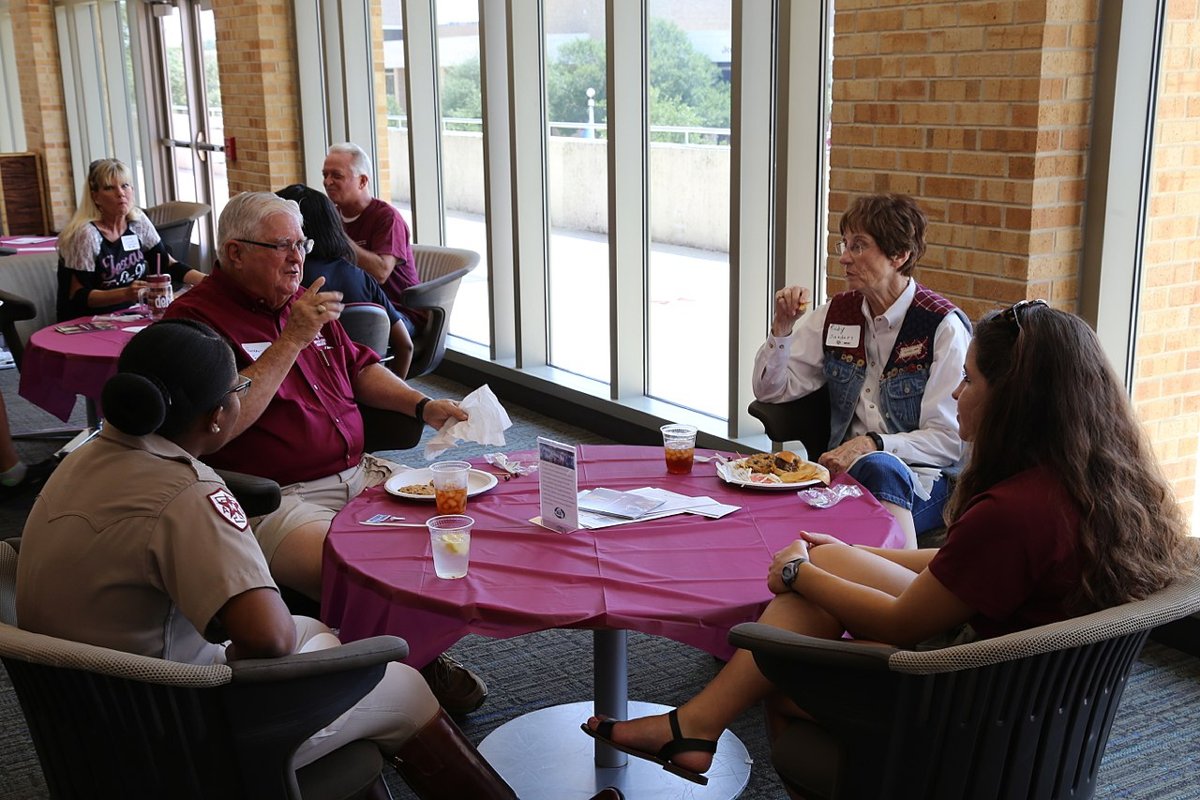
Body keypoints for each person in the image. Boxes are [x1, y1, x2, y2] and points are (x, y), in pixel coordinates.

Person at [583, 302, 1198, 790]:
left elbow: (905, 623)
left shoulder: (1015, 511)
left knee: (789, 659)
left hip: (965, 699)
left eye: (970, 381)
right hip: (1037, 694)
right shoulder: (1090, 485)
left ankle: (696, 725)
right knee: (823, 562)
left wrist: (799, 574)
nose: (957, 395)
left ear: (1016, 400)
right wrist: (839, 556)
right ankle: (694, 727)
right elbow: (960, 568)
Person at [13, 319, 523, 799]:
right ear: (217, 418)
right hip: (177, 730)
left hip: (87, 717)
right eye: (239, 389)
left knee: (322, 634)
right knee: (402, 685)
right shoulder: (188, 493)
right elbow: (268, 640)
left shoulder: (79, 459)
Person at [162, 192, 486, 716]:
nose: (298, 258)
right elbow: (216, 426)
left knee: (461, 531)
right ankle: (397, 669)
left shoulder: (301, 302)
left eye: (302, 243)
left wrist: (422, 403)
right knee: (372, 571)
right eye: (282, 246)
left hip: (358, 473)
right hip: (274, 498)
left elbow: (360, 366)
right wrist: (291, 339)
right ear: (235, 252)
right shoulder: (195, 325)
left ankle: (411, 653)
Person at [753, 193, 970, 548]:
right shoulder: (837, 313)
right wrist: (782, 329)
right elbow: (770, 391)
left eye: (858, 246)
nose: (843, 258)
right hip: (848, 476)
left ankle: (894, 588)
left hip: (924, 483)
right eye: (844, 243)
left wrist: (874, 444)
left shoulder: (941, 326)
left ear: (899, 255)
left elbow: (949, 441)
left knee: (881, 468)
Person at [275, 183, 415, 377]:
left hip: (311, 386)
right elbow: (406, 346)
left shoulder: (286, 280)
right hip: (365, 387)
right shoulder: (362, 278)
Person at [56, 158, 205, 320]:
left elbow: (166, 263)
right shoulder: (86, 234)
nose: (120, 193)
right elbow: (79, 296)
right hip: (89, 320)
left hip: (129, 314)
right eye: (109, 188)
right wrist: (125, 293)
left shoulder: (137, 222)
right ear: (96, 197)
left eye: (125, 185)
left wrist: (208, 282)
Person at [322, 142, 419, 307]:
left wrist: (338, 237)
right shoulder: (332, 215)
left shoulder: (388, 218)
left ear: (362, 181)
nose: (327, 182)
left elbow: (381, 273)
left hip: (398, 312)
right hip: (354, 305)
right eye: (325, 175)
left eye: (337, 176)